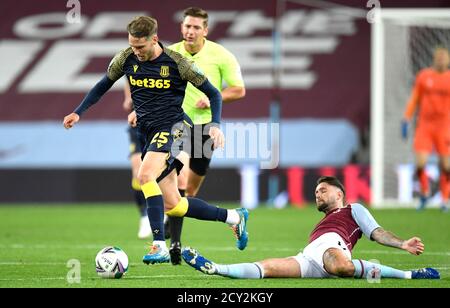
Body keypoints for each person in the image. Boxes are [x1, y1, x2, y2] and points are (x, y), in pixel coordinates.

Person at [63, 16, 249, 264]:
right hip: (148, 131)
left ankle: (158, 244)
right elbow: (102, 85)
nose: (136, 51)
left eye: (140, 46)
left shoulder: (178, 62)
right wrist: (78, 111)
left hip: (176, 127)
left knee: (144, 175)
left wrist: (215, 125)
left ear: (154, 39)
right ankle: (234, 218)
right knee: (175, 205)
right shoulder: (125, 58)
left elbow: (214, 93)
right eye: (132, 45)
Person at [122, 7, 246, 264]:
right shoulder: (167, 53)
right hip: (176, 127)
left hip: (204, 129)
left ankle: (232, 217)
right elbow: (137, 74)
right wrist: (137, 106)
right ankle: (169, 243)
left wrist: (214, 108)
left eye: (196, 27)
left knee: (184, 194)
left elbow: (239, 90)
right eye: (187, 26)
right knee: (173, 179)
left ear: (205, 31)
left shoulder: (220, 55)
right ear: (181, 28)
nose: (190, 31)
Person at [181, 176, 440, 280]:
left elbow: (377, 232)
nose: (317, 194)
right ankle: (215, 268)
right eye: (316, 191)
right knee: (267, 268)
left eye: (323, 190)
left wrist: (402, 243)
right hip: (309, 257)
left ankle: (408, 276)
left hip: (333, 249)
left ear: (340, 193)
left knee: (342, 266)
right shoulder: (322, 220)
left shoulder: (353, 210)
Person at [401, 47, 450, 212]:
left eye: (444, 58)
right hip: (425, 126)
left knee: (446, 166)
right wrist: (406, 118)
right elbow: (415, 98)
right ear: (434, 59)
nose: (441, 61)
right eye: (439, 58)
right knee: (420, 163)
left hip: (444, 127)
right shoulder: (424, 76)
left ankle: (444, 199)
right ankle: (424, 192)